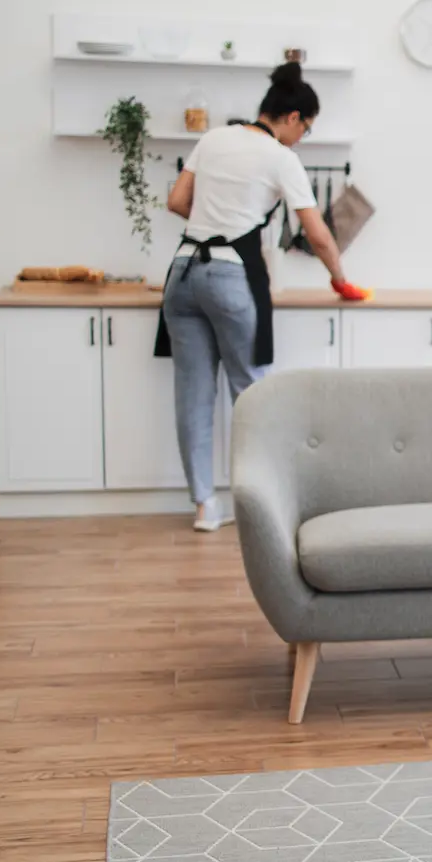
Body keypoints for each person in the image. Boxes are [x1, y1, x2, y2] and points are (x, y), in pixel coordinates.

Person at [159, 62, 369, 531]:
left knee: (192, 396)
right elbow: (316, 233)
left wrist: (213, 224)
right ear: (292, 117)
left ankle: (203, 509)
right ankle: (260, 504)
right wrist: (340, 279)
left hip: (183, 271)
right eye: (306, 128)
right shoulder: (280, 157)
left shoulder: (214, 138)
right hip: (231, 278)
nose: (301, 139)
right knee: (254, 396)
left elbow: (176, 201)